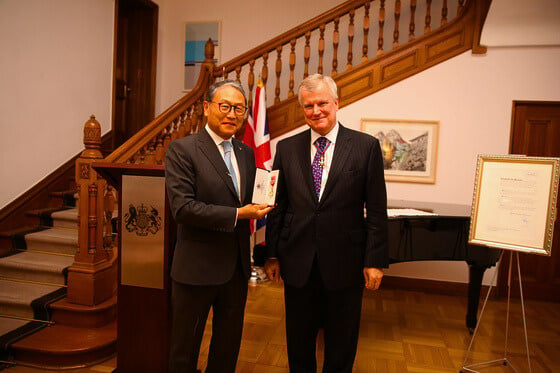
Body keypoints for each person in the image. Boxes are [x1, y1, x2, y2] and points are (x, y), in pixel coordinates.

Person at [264, 74, 389, 372]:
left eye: (322, 103)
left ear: (336, 103)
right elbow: (278, 206)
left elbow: (376, 209)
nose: (316, 111)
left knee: (342, 342)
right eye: (308, 106)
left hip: (345, 263)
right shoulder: (287, 148)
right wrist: (272, 253)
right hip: (297, 263)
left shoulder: (365, 147)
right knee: (298, 341)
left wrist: (374, 261)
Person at [165, 79, 272, 373]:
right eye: (224, 106)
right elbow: (184, 209)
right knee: (184, 353)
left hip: (236, 271)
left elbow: (251, 199)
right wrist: (239, 214)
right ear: (206, 107)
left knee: (227, 349)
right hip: (196, 271)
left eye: (239, 108)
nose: (231, 114)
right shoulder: (182, 150)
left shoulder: (246, 153)